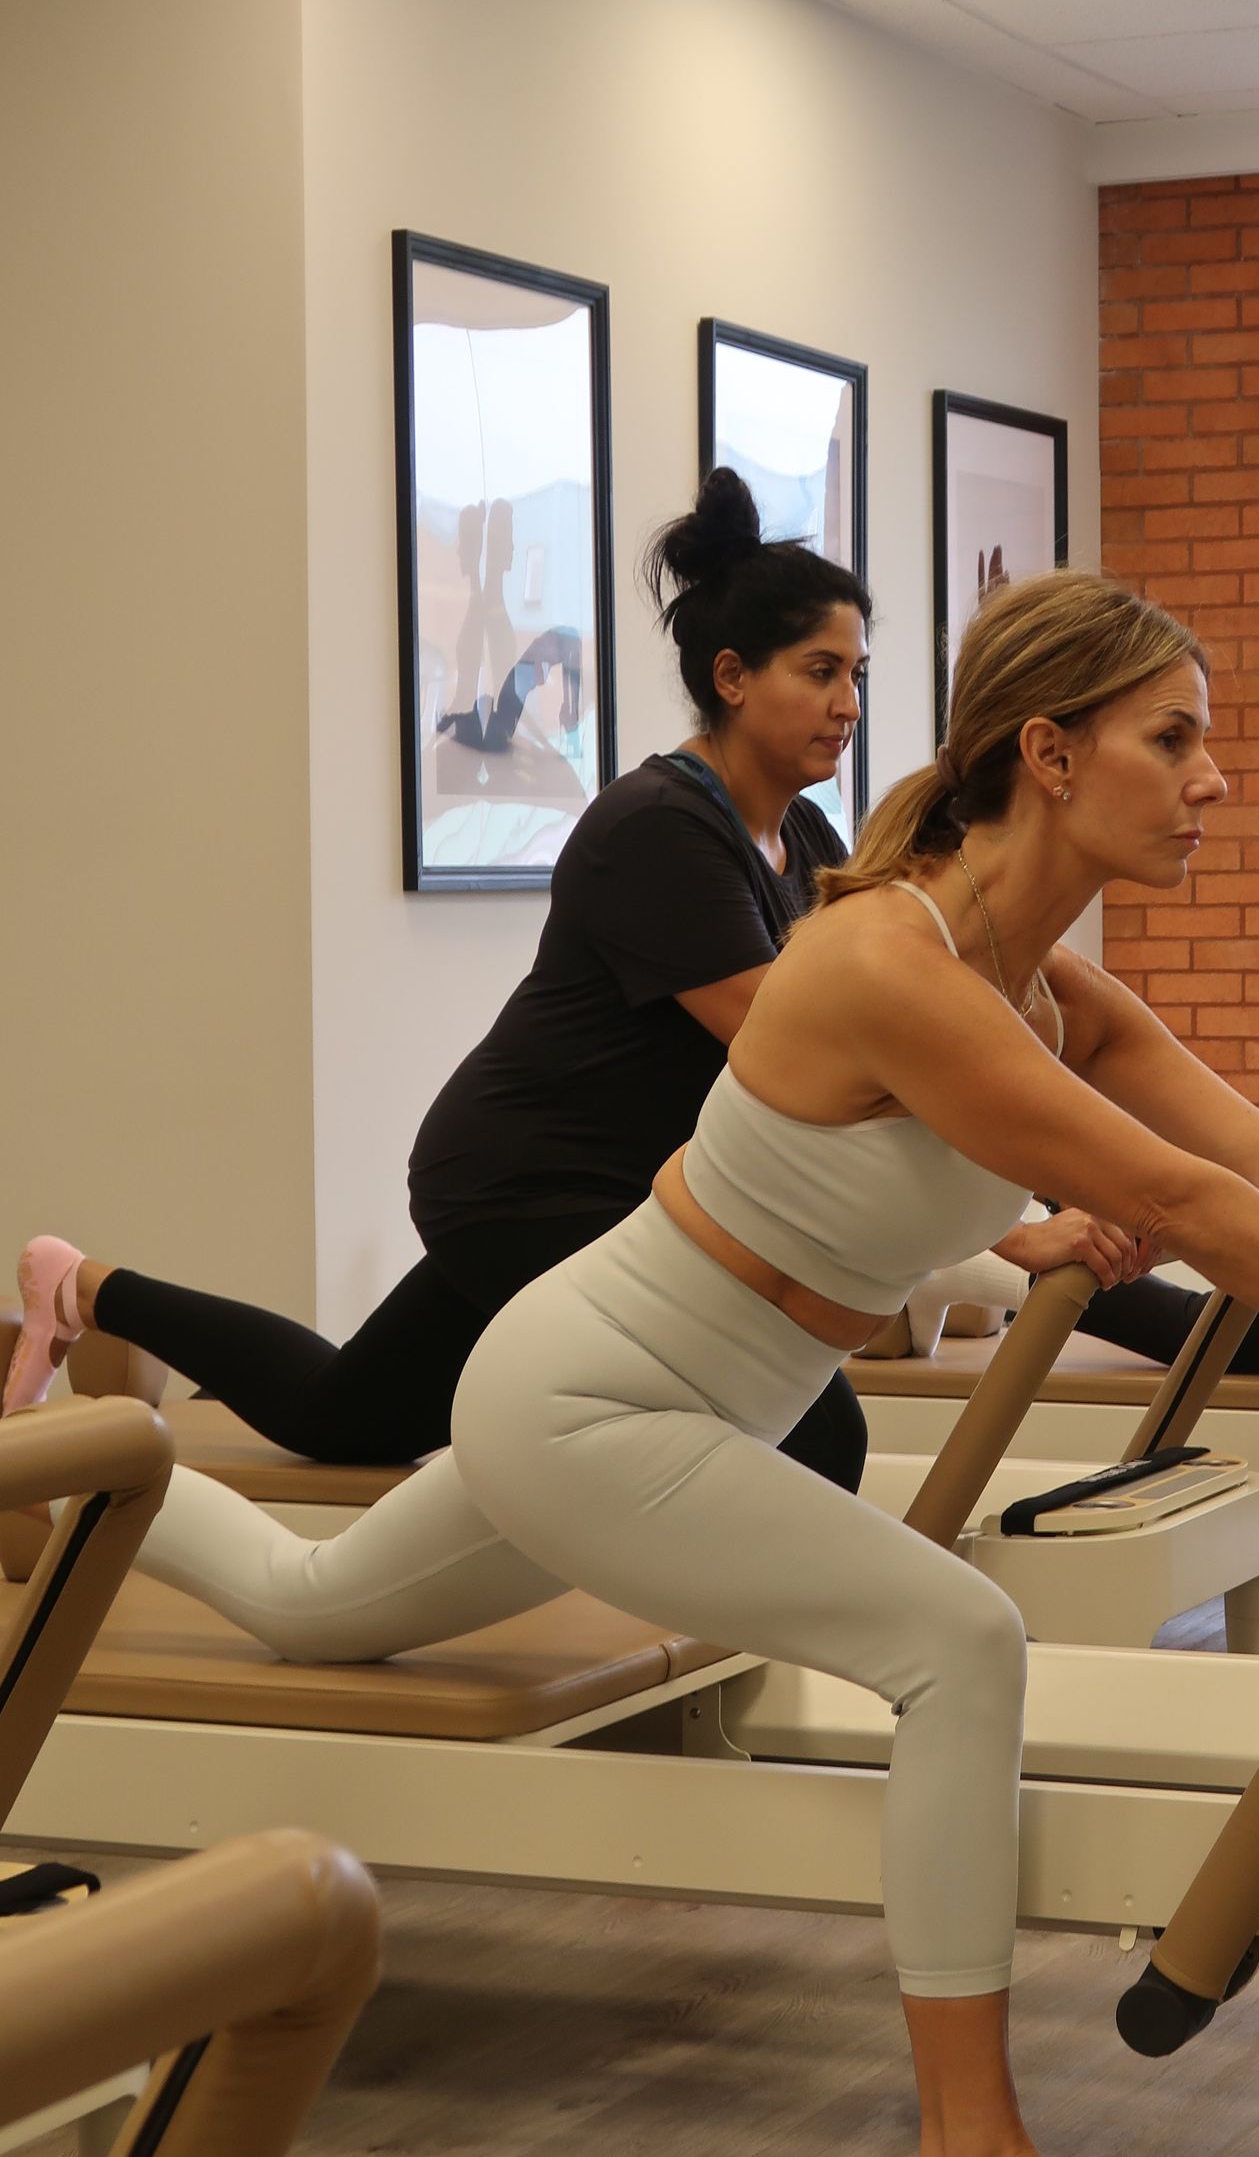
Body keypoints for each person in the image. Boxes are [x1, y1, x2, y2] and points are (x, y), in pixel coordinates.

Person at [120, 571, 1259, 2157]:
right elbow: (1175, 1194)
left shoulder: (1044, 985)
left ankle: (96, 1489)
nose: (1215, 779)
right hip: (595, 1399)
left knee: (312, 1609)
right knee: (959, 1641)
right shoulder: (884, 960)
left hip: (678, 1401)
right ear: (1051, 755)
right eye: (1177, 738)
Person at [4, 471, 873, 1492]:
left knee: (347, 1416)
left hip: (621, 1189)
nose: (848, 704)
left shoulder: (807, 837)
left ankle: (80, 1289)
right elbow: (805, 1050)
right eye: (821, 672)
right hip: (526, 1185)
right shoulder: (660, 832)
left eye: (859, 674)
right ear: (732, 676)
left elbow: (884, 1009)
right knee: (818, 1427)